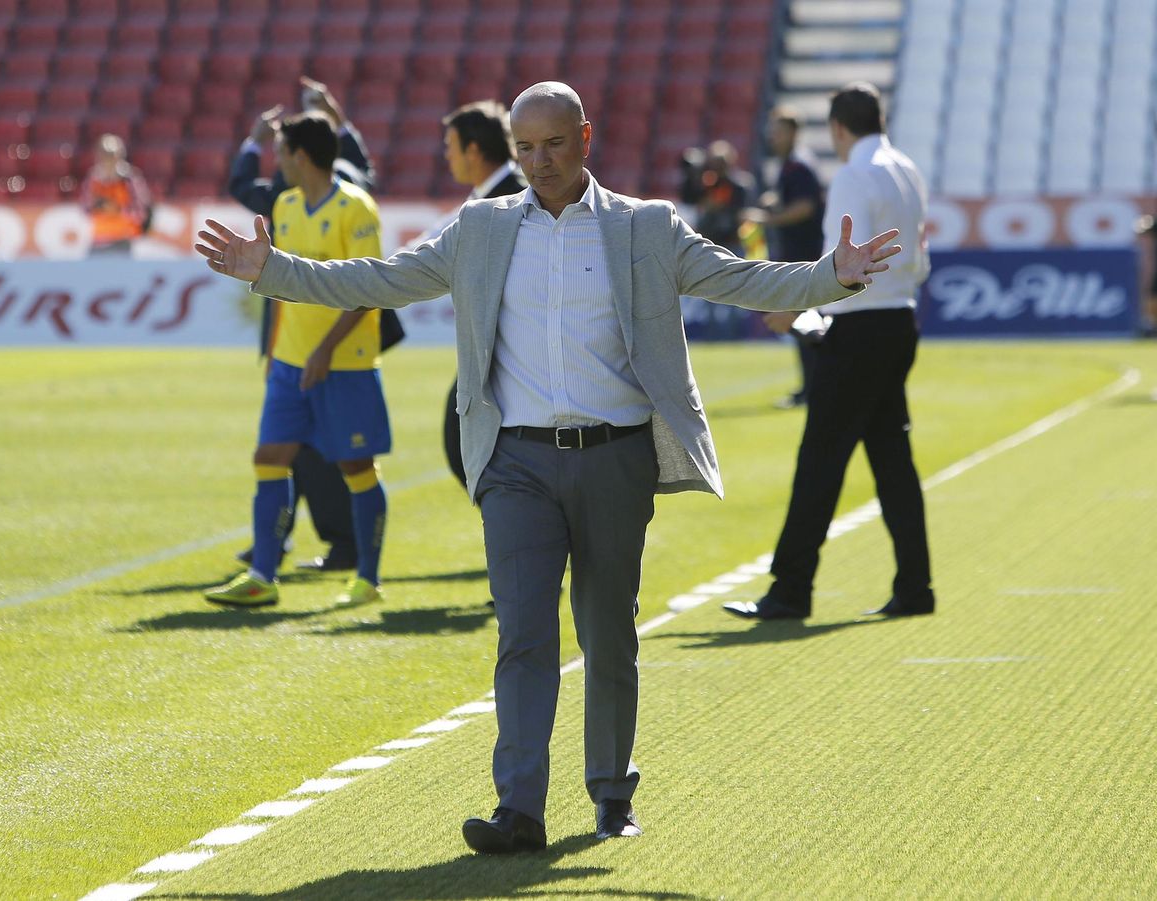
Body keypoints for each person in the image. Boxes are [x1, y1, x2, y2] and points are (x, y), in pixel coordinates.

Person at [195, 82, 899, 850]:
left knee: (608, 633)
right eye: (524, 148)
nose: (538, 162)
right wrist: (273, 270)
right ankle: (519, 809)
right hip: (515, 464)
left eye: (554, 145)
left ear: (586, 138)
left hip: (617, 459)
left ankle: (610, 795)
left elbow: (742, 280)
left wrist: (836, 273)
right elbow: (376, 278)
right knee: (523, 634)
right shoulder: (479, 228)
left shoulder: (646, 226)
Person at [724, 82, 935, 624]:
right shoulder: (907, 170)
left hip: (857, 330)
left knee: (819, 463)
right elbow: (917, 258)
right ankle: (915, 585)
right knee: (892, 460)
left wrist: (795, 307)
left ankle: (790, 591)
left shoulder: (852, 175)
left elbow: (842, 262)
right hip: (899, 322)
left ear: (839, 128)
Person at [204, 111, 391, 609]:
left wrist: (325, 351)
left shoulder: (357, 209)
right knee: (269, 458)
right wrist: (277, 350)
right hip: (289, 362)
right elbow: (282, 286)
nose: (278, 161)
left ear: (300, 156)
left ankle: (367, 580)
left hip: (345, 363)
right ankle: (263, 575)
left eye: (282, 152)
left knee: (356, 466)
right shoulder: (283, 206)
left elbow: (369, 289)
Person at [439, 100, 527, 487]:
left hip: (515, 352)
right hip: (486, 350)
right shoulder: (484, 200)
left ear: (473, 150)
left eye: (450, 145)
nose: (447, 155)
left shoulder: (518, 199)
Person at [749, 106, 827, 408]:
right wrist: (774, 201)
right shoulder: (791, 165)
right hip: (798, 255)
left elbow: (805, 207)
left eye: (778, 131)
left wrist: (768, 219)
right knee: (801, 323)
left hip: (805, 256)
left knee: (804, 322)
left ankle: (812, 390)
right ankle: (811, 388)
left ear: (793, 132)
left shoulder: (799, 166)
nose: (773, 136)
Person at [679, 139, 756, 256]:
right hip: (709, 240)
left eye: (720, 163)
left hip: (732, 242)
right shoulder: (708, 182)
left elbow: (739, 211)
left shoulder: (739, 185)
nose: (717, 168)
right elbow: (688, 198)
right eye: (713, 163)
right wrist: (694, 177)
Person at [81, 133, 151, 256]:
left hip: (123, 241)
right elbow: (85, 208)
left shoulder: (129, 178)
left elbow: (141, 210)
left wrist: (118, 209)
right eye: (104, 155)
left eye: (111, 155)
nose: (107, 159)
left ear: (119, 155)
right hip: (99, 240)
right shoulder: (93, 178)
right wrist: (99, 206)